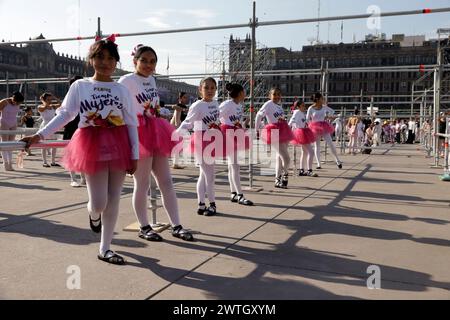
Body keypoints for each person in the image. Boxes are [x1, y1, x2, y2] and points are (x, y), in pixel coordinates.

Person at [22, 36, 139, 265]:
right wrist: (40, 135)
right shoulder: (81, 86)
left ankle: (105, 248)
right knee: (98, 202)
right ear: (91, 59)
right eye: (99, 57)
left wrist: (134, 154)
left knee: (114, 199)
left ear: (116, 62)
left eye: (109, 58)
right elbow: (66, 114)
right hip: (90, 144)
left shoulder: (121, 89)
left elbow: (131, 122)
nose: (105, 62)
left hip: (119, 144)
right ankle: (94, 215)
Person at [119, 44, 193, 242]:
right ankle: (144, 226)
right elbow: (121, 109)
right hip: (137, 132)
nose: (148, 65)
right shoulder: (126, 81)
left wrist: (159, 112)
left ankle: (176, 225)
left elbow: (152, 105)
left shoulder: (152, 80)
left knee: (166, 181)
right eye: (144, 60)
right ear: (135, 60)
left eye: (152, 61)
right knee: (141, 183)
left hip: (155, 129)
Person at [177, 77, 222, 216]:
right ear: (200, 89)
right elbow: (187, 123)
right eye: (206, 87)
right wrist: (174, 136)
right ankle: (212, 204)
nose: (209, 90)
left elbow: (217, 120)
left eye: (212, 88)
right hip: (201, 140)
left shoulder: (215, 103)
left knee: (204, 175)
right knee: (209, 175)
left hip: (212, 139)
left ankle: (201, 204)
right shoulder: (197, 105)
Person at [219, 83, 254, 205]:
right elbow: (217, 116)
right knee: (234, 165)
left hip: (236, 132)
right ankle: (240, 195)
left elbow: (236, 121)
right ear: (240, 93)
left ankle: (233, 193)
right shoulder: (227, 104)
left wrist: (244, 123)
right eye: (244, 91)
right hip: (227, 133)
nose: (245, 94)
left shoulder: (239, 105)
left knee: (232, 165)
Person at [255, 88, 293, 189]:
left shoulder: (279, 107)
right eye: (274, 94)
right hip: (274, 131)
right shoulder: (268, 104)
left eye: (278, 94)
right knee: (286, 158)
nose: (276, 96)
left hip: (283, 130)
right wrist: (257, 129)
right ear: (269, 95)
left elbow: (280, 118)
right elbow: (259, 115)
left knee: (280, 157)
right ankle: (285, 175)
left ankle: (277, 179)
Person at [307, 92, 343, 170]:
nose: (323, 99)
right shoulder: (311, 108)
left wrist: (328, 117)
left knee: (330, 143)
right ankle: (318, 163)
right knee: (317, 145)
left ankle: (337, 160)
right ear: (318, 99)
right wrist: (309, 126)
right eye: (322, 98)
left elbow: (332, 112)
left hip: (324, 126)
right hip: (314, 127)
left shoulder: (324, 107)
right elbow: (307, 119)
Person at [63, 76, 85, 188]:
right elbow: (63, 114)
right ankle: (73, 178)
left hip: (82, 128)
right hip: (71, 128)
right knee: (71, 154)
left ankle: (83, 177)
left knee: (83, 153)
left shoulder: (86, 95)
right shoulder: (69, 97)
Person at [289, 100, 318, 177]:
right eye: (303, 106)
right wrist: (288, 128)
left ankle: (302, 170)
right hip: (301, 133)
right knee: (311, 152)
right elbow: (292, 120)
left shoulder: (302, 113)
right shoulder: (297, 112)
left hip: (304, 132)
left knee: (304, 152)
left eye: (304, 105)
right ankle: (309, 170)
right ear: (298, 107)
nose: (304, 107)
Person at [0, 91, 24, 171]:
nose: (17, 104)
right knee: (4, 143)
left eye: (19, 103)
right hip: (4, 122)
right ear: (13, 98)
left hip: (13, 123)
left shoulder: (18, 102)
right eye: (16, 102)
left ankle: (10, 162)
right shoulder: (4, 102)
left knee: (11, 144)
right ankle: (6, 163)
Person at [38, 93, 62, 168]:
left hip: (53, 125)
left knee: (54, 144)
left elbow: (61, 104)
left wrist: (54, 97)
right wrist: (43, 101)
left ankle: (53, 161)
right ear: (44, 100)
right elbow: (44, 106)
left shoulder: (53, 107)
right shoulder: (40, 107)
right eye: (48, 99)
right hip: (45, 125)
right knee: (44, 144)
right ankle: (44, 162)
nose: (50, 101)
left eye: (50, 99)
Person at [170, 92, 189, 169]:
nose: (186, 99)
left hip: (177, 128)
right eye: (184, 97)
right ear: (180, 98)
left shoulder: (182, 107)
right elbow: (177, 120)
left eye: (186, 97)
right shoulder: (178, 107)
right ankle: (175, 163)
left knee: (178, 147)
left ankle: (175, 163)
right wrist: (179, 131)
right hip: (176, 128)